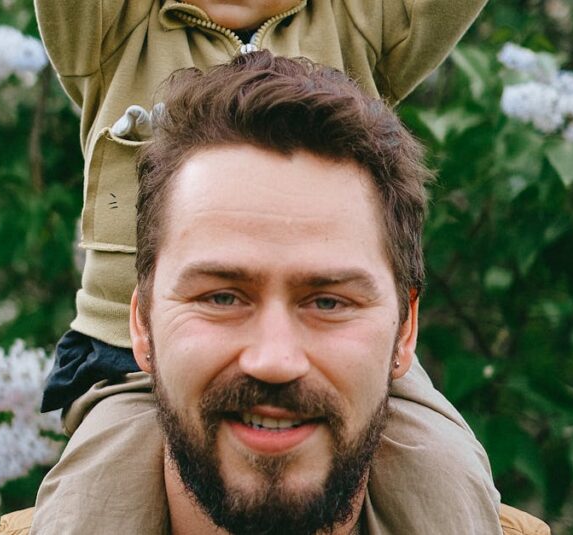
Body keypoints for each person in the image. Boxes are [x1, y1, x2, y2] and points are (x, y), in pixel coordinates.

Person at [31, 1, 498, 532]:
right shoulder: (116, 30)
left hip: (349, 362)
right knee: (93, 501)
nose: (272, 360)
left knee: (443, 469)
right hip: (122, 361)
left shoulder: (359, 23)